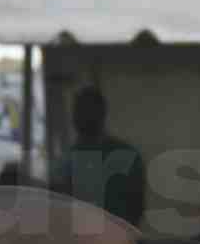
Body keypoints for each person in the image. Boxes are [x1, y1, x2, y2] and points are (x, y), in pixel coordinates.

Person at [48, 86, 145, 225]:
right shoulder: (128, 154)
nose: (80, 117)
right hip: (119, 238)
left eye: (83, 112)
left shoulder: (66, 161)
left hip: (87, 240)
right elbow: (138, 208)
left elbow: (57, 206)